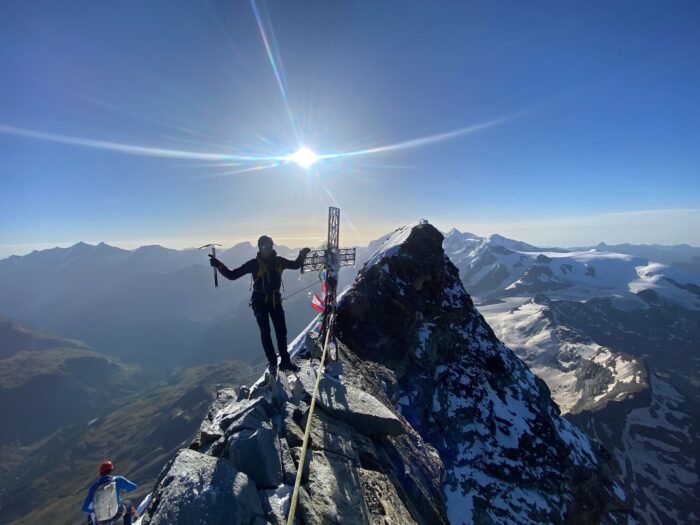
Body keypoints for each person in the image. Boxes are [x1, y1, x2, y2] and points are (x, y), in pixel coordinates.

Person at [210, 235, 310, 374]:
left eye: (270, 246)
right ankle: (273, 364)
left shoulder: (278, 261)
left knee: (281, 333)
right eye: (265, 247)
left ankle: (285, 362)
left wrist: (302, 254)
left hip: (273, 301)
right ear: (260, 248)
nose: (268, 249)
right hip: (260, 302)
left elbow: (295, 265)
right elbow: (233, 275)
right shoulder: (254, 264)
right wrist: (219, 265)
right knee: (266, 333)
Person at [81, 461, 137, 525]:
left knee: (90, 515)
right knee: (128, 503)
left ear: (101, 473)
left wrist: (94, 511)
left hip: (101, 518)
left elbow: (86, 508)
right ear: (111, 470)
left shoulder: (94, 486)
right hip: (117, 513)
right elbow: (134, 487)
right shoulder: (118, 480)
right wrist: (124, 491)